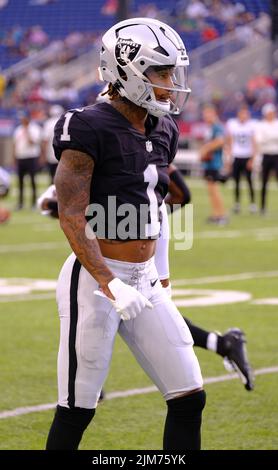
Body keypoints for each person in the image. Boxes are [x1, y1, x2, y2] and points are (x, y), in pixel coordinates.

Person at [45, 18, 206, 451]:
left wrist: (161, 277)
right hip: (95, 281)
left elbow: (156, 206)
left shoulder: (163, 128)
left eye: (172, 73)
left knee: (190, 397)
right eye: (162, 72)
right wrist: (109, 282)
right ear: (127, 70)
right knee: (77, 409)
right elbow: (72, 216)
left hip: (144, 279)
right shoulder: (88, 126)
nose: (171, 84)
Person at [38, 166, 254, 392]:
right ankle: (222, 344)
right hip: (149, 232)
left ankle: (85, 382)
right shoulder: (141, 141)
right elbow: (181, 194)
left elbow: (52, 203)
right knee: (148, 311)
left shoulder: (117, 143)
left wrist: (130, 219)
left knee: (126, 309)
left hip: (133, 242)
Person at [226, 105, 257, 214]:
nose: (243, 116)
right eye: (242, 114)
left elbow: (254, 143)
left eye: (245, 114)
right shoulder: (233, 124)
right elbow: (230, 142)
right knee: (237, 181)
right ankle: (237, 203)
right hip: (237, 156)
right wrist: (229, 158)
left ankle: (253, 203)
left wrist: (252, 159)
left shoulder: (251, 125)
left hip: (247, 156)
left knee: (249, 181)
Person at [200, 104, 228, 225]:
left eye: (208, 114)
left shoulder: (217, 127)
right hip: (208, 163)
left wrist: (206, 148)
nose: (205, 116)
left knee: (214, 190)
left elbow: (221, 141)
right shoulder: (210, 127)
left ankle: (222, 215)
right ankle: (216, 214)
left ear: (213, 113)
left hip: (214, 164)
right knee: (211, 190)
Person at [13, 111, 42, 210]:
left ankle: (34, 203)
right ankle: (20, 203)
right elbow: (15, 145)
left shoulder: (34, 129)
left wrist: (27, 130)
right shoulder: (18, 129)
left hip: (31, 157)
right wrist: (14, 158)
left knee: (33, 181)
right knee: (20, 182)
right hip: (20, 157)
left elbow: (32, 142)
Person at [256, 103, 278, 215]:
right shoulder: (261, 125)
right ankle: (263, 207)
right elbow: (260, 140)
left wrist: (268, 138)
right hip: (266, 155)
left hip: (276, 155)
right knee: (264, 182)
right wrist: (272, 138)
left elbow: (265, 138)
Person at [41, 105, 64, 184]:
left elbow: (45, 141)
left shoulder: (48, 123)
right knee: (62, 178)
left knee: (52, 178)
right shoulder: (64, 121)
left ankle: (53, 194)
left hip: (51, 154)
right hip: (63, 155)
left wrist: (43, 155)